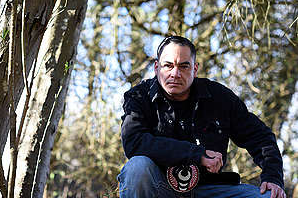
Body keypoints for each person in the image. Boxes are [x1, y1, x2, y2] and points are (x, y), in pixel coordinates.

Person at [117, 36, 286, 198]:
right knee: (136, 167)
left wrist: (273, 177)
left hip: (211, 189)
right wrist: (197, 155)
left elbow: (260, 137)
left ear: (195, 69)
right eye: (168, 65)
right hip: (160, 188)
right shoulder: (139, 96)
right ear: (156, 68)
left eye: (184, 66)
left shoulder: (220, 97)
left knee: (271, 196)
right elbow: (134, 141)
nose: (175, 74)